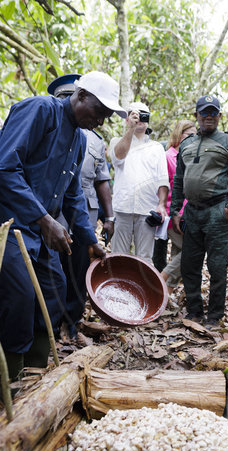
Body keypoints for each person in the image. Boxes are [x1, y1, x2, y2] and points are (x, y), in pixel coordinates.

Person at [0, 70, 127, 384]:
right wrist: (45, 220)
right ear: (81, 96)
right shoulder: (40, 110)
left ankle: (35, 372)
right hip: (12, 226)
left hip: (42, 234)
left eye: (107, 116)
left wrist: (89, 239)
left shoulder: (80, 139)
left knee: (55, 292)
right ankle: (11, 378)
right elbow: (5, 168)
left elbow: (73, 196)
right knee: (20, 297)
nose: (100, 120)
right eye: (99, 111)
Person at [47, 73, 119, 339]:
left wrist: (105, 220)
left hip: (78, 218)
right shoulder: (42, 118)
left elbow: (88, 186)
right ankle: (48, 330)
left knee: (74, 275)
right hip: (43, 219)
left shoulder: (90, 140)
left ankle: (69, 324)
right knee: (48, 278)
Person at [170, 95, 228, 327]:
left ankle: (215, 315)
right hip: (192, 213)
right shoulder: (186, 144)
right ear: (196, 116)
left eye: (213, 113)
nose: (208, 117)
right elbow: (178, 180)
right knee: (189, 265)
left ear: (219, 116)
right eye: (204, 113)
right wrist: (176, 209)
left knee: (217, 266)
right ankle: (194, 312)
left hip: (218, 212)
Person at [109, 102, 170, 261]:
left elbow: (163, 179)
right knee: (118, 255)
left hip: (147, 208)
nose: (139, 118)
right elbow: (118, 158)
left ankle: (143, 286)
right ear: (127, 119)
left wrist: (161, 205)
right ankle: (117, 285)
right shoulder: (117, 142)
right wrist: (131, 129)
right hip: (122, 208)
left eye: (144, 115)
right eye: (135, 114)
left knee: (145, 258)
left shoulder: (156, 147)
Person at [161, 120, 197, 294]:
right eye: (189, 134)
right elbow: (163, 186)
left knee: (178, 253)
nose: (193, 138)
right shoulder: (168, 156)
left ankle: (164, 294)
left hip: (190, 214)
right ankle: (161, 279)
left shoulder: (192, 155)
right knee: (190, 251)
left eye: (195, 135)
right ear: (178, 135)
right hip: (173, 214)